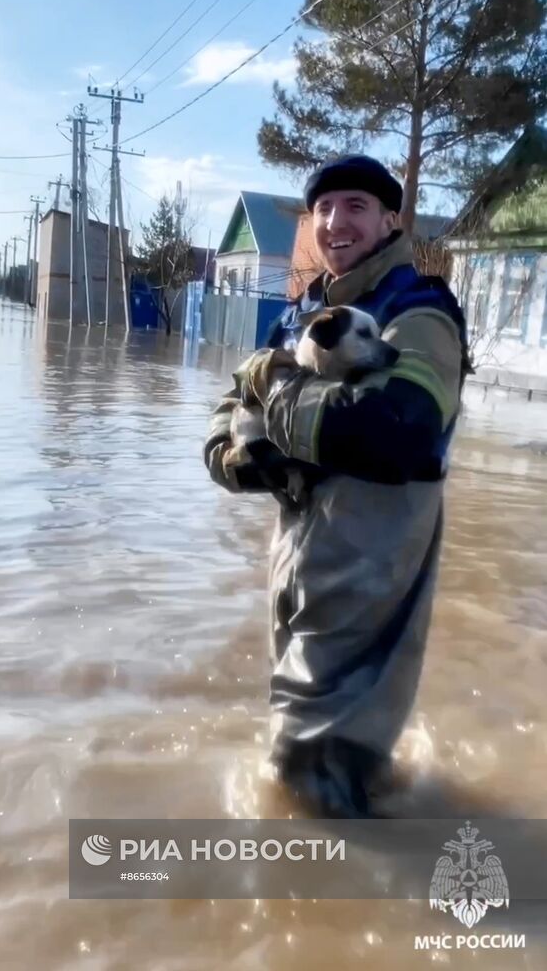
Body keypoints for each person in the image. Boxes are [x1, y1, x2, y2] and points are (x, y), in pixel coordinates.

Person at [203, 154, 472, 817]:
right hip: (297, 556)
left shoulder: (419, 312)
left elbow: (397, 433)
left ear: (389, 220)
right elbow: (232, 400)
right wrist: (234, 458)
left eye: (354, 205)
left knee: (311, 770)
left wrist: (277, 390)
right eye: (323, 207)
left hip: (370, 563)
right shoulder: (303, 314)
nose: (334, 221)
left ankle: (339, 896)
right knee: (301, 747)